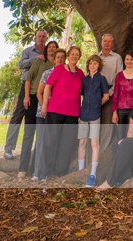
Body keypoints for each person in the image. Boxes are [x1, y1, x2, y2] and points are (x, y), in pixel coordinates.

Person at [41, 45, 84, 180]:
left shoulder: (81, 73)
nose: (74, 56)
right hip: (55, 110)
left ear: (79, 57)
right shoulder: (59, 69)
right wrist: (44, 106)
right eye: (72, 54)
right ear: (68, 56)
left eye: (77, 54)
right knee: (51, 141)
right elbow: (48, 87)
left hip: (72, 113)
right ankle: (46, 172)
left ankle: (61, 172)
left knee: (67, 143)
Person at [18, 39, 58, 178]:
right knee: (29, 133)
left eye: (55, 47)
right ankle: (22, 168)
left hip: (51, 102)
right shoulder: (40, 61)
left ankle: (37, 168)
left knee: (42, 137)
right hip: (34, 98)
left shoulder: (59, 65)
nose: (52, 49)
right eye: (50, 47)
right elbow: (28, 79)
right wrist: (26, 97)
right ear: (46, 49)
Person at [4, 29, 47, 159]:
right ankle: (9, 149)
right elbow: (21, 64)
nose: (41, 38)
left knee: (41, 117)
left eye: (43, 36)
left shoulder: (48, 51)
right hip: (27, 86)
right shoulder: (28, 51)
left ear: (46, 38)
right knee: (18, 114)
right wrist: (35, 59)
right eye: (39, 36)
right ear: (35, 38)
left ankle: (38, 152)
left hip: (43, 88)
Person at [32, 48, 65, 181]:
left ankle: (47, 171)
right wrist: (45, 106)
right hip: (44, 112)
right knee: (41, 142)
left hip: (56, 113)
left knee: (52, 143)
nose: (60, 59)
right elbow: (39, 92)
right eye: (58, 57)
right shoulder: (47, 73)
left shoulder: (66, 73)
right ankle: (37, 172)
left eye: (63, 57)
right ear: (54, 59)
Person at [78, 55, 109, 188]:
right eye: (90, 63)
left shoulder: (101, 79)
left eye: (95, 63)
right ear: (88, 65)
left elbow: (106, 96)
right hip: (83, 113)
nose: (92, 66)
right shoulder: (84, 80)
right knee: (82, 142)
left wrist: (97, 105)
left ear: (98, 65)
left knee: (94, 142)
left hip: (95, 114)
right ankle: (80, 171)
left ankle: (92, 173)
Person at [112, 52, 133, 139]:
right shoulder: (119, 75)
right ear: (124, 61)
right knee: (120, 135)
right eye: (127, 59)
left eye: (131, 59)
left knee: (131, 134)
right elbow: (115, 94)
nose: (129, 61)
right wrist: (114, 112)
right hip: (120, 110)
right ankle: (119, 151)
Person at [98, 34, 123, 125]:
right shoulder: (96, 57)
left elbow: (119, 77)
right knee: (95, 121)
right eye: (105, 41)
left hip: (111, 93)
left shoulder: (117, 58)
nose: (107, 43)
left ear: (112, 44)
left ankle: (106, 140)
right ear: (101, 42)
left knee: (107, 122)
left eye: (109, 41)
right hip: (97, 93)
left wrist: (109, 93)